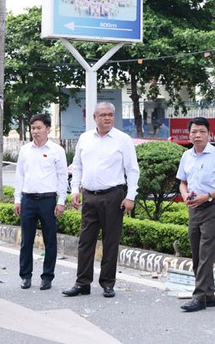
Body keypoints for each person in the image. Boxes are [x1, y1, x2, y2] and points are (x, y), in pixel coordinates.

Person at [63, 102, 140, 298]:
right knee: (85, 241)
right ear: (94, 117)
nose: (107, 118)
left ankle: (107, 283)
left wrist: (130, 196)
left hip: (113, 196)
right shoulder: (85, 138)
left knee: (110, 241)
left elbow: (132, 170)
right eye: (103, 115)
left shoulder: (122, 139)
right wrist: (74, 190)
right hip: (89, 196)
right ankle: (82, 283)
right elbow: (77, 166)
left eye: (110, 115)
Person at [176, 117, 215, 313]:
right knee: (196, 253)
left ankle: (199, 297)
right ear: (189, 134)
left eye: (202, 131)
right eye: (194, 131)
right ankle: (209, 296)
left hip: (213, 207)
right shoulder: (186, 156)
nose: (197, 135)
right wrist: (185, 196)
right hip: (194, 208)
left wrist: (207, 196)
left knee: (206, 253)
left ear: (209, 134)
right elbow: (182, 182)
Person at [13, 114, 68, 291]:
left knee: (50, 240)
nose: (35, 131)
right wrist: (17, 199)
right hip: (28, 199)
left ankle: (47, 277)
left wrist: (61, 201)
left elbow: (62, 177)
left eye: (39, 128)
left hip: (48, 200)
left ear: (48, 129)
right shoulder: (25, 150)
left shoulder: (57, 150)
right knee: (26, 240)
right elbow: (19, 175)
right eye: (33, 128)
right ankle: (25, 276)